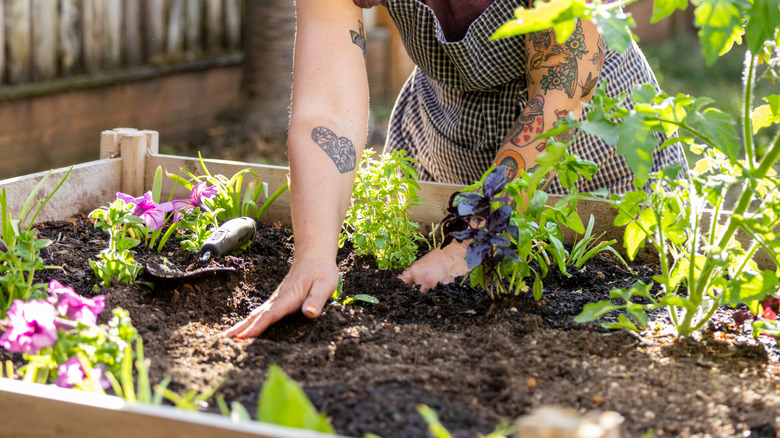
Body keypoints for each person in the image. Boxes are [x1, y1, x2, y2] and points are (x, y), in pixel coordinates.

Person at [223, 0, 688, 339]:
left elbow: (558, 100)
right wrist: (314, 253)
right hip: (444, 133)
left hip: (595, 150)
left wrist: (469, 242)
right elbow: (327, 111)